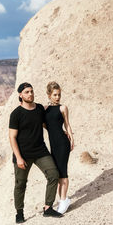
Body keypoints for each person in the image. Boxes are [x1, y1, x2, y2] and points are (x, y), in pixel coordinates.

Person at [9, 82, 63, 224]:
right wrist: (19, 158)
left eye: (31, 91)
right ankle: (19, 213)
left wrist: (62, 133)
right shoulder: (16, 114)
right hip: (23, 155)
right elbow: (12, 137)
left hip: (40, 151)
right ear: (20, 95)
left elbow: (47, 125)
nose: (30, 94)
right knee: (20, 184)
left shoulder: (39, 108)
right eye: (27, 92)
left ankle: (48, 207)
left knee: (53, 174)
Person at [44, 81, 74, 214]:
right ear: (49, 95)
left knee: (63, 171)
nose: (57, 97)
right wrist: (52, 129)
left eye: (59, 94)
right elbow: (45, 124)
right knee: (56, 173)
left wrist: (72, 139)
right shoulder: (44, 109)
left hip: (63, 143)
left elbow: (67, 125)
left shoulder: (63, 108)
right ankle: (62, 200)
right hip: (53, 144)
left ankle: (63, 200)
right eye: (55, 95)